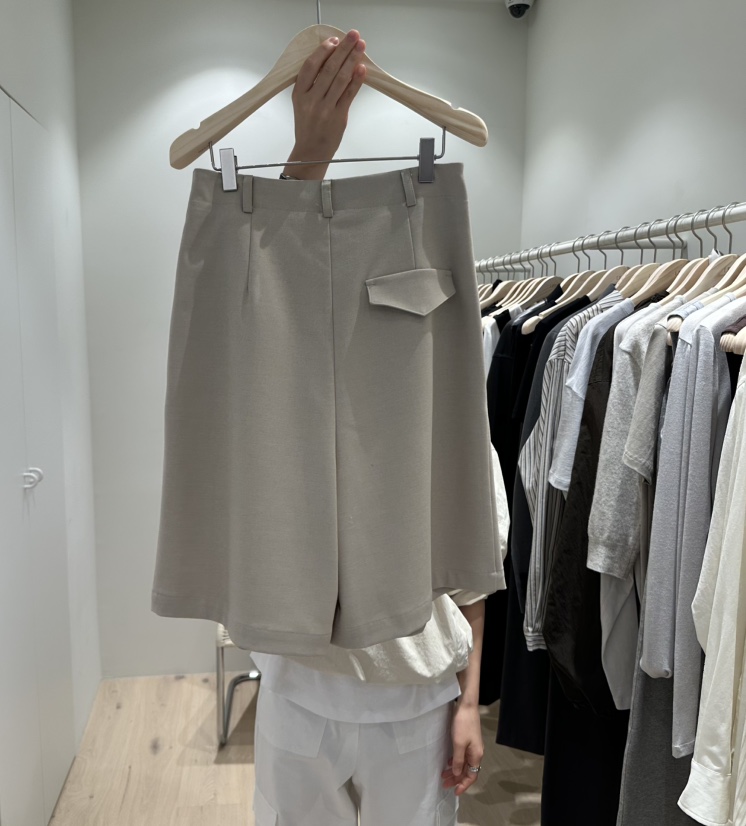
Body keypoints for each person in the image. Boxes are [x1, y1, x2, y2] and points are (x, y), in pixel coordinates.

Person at [248, 30, 508, 826]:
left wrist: (468, 707)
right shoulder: (291, 413)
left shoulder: (448, 425)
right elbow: (264, 311)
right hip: (299, 690)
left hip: (417, 703)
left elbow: (473, 582)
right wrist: (307, 160)